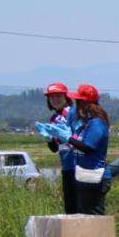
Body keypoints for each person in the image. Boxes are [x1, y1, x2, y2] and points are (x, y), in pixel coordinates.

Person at [65, 84, 111, 215]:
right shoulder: (87, 123)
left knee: (94, 216)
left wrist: (68, 138)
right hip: (84, 174)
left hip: (95, 175)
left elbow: (88, 147)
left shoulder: (97, 123)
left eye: (78, 101)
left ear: (84, 103)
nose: (76, 105)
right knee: (84, 214)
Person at [44, 82, 78, 214]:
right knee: (69, 206)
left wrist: (68, 137)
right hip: (66, 165)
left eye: (58, 96)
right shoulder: (54, 118)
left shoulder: (72, 113)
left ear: (66, 97)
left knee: (77, 205)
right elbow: (54, 148)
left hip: (77, 164)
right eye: (52, 97)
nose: (55, 100)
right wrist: (48, 139)